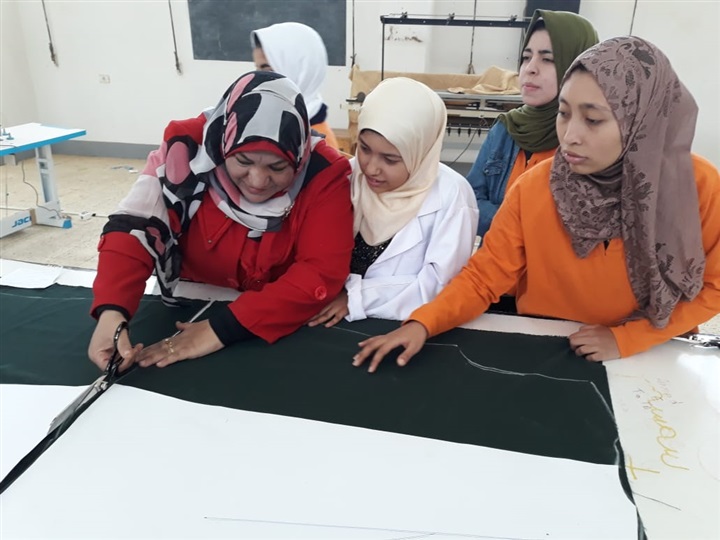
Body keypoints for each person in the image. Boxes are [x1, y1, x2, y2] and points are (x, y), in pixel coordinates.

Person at [351, 36, 720, 373]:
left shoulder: (697, 188)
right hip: (544, 344)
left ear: (642, 120)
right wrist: (423, 323)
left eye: (593, 120)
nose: (570, 136)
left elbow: (714, 287)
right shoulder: (536, 188)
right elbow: (484, 278)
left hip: (653, 355)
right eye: (564, 113)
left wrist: (628, 337)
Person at [88, 71, 354, 371]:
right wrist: (112, 311)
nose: (257, 180)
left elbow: (320, 271)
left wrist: (220, 329)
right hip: (186, 302)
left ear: (298, 156)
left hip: (272, 318)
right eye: (243, 161)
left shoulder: (323, 173)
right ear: (222, 145)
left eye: (278, 167)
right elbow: (135, 227)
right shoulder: (185, 150)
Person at [307, 77, 479, 327]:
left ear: (420, 152)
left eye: (390, 160)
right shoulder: (346, 177)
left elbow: (439, 286)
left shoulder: (452, 196)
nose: (371, 169)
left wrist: (357, 298)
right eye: (364, 149)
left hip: (403, 326)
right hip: (328, 312)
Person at [466, 9, 598, 238]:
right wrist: (522, 226)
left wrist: (505, 223)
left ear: (578, 67)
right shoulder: (506, 129)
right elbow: (469, 202)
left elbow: (579, 226)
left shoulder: (589, 140)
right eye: (526, 57)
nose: (530, 68)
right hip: (496, 257)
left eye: (548, 59)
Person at [251, 22, 339, 149]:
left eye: (268, 71)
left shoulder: (319, 146)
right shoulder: (274, 124)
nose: (257, 80)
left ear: (300, 72)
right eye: (258, 70)